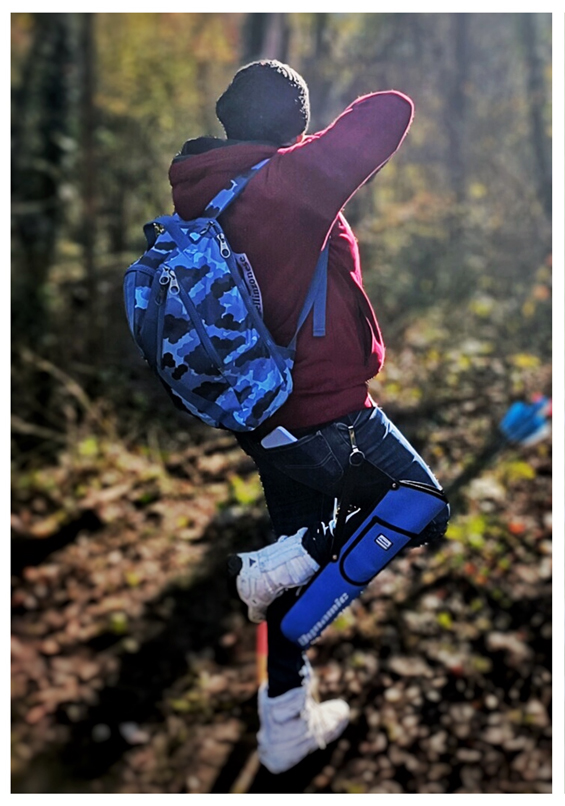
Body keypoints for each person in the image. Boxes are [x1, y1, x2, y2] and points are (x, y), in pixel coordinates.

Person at [169, 60, 449, 774]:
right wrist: (302, 151)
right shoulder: (286, 184)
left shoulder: (206, 193)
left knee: (296, 576)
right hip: (330, 416)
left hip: (265, 418)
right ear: (292, 128)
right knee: (420, 505)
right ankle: (279, 565)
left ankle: (285, 726)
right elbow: (391, 106)